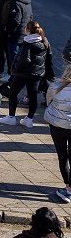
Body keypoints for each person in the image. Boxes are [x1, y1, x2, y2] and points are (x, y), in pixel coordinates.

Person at [0, 21, 53, 129]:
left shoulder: (27, 43)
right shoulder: (45, 42)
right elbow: (49, 58)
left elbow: (23, 60)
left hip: (23, 73)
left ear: (28, 30)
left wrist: (14, 70)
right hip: (37, 74)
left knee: (13, 93)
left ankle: (11, 117)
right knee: (33, 96)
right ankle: (29, 119)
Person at [44, 65, 71, 204]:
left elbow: (48, 101)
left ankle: (67, 187)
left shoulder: (56, 86)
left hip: (57, 125)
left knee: (62, 157)